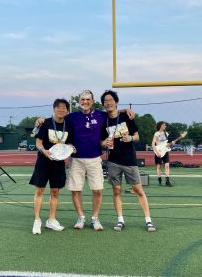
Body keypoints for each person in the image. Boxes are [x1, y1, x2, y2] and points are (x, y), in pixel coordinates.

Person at [35, 90, 134, 231]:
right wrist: (41, 119)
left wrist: (126, 109)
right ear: (78, 101)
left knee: (98, 190)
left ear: (92, 101)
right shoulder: (71, 117)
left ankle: (95, 218)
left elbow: (113, 111)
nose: (85, 102)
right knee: (76, 190)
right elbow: (56, 118)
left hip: (94, 158)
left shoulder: (101, 114)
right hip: (76, 159)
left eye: (88, 99)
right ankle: (81, 216)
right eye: (82, 99)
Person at [100, 90, 156, 232]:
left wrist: (130, 138)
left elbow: (137, 136)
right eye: (105, 101)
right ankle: (120, 220)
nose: (108, 103)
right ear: (103, 104)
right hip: (113, 160)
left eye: (111, 100)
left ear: (116, 102)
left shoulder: (126, 116)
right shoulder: (103, 120)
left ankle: (148, 220)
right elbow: (101, 141)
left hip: (129, 159)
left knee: (138, 189)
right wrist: (103, 143)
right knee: (116, 190)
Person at [30, 98, 75, 234]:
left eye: (64, 108)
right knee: (40, 191)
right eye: (58, 107)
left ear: (67, 110)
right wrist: (44, 151)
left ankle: (51, 220)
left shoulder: (68, 125)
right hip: (43, 162)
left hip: (58, 164)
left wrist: (71, 148)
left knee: (55, 192)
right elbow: (38, 143)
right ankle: (37, 220)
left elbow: (69, 144)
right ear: (54, 109)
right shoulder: (46, 123)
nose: (61, 110)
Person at [152, 121, 174, 186]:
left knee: (167, 165)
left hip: (165, 151)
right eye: (164, 125)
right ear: (160, 126)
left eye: (165, 125)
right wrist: (157, 152)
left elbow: (167, 144)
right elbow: (153, 144)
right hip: (158, 151)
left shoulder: (166, 133)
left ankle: (167, 181)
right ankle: (159, 180)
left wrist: (171, 143)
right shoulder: (156, 133)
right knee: (158, 166)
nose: (165, 126)